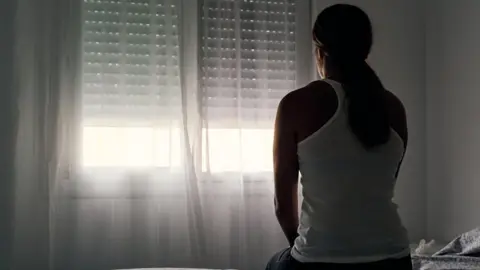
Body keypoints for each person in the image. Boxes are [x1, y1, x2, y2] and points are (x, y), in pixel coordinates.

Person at [266, 4, 412, 270]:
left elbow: (282, 205)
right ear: (365, 51)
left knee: (273, 263)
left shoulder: (295, 105)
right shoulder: (394, 108)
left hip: (319, 260)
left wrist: (304, 247)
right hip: (394, 258)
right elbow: (380, 185)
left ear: (319, 51)